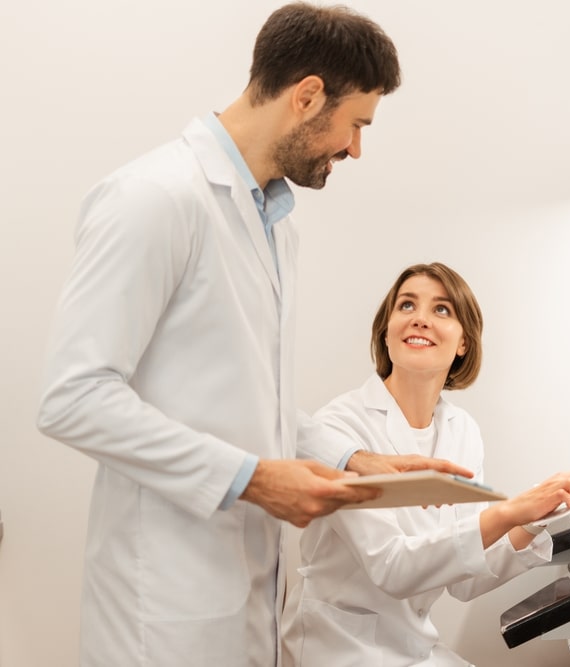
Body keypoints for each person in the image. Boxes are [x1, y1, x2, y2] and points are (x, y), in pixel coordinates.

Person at [35, 5, 470, 667]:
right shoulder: (153, 198)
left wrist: (355, 457)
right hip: (164, 605)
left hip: (249, 591)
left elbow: (252, 398)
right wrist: (251, 478)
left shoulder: (273, 226)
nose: (356, 148)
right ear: (307, 96)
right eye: (356, 124)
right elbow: (73, 399)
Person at [281, 262, 570, 666]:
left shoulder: (461, 430)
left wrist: (533, 519)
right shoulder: (341, 429)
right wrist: (508, 511)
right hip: (340, 648)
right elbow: (394, 567)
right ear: (386, 331)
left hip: (412, 646)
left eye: (441, 310)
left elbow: (465, 579)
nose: (420, 319)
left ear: (463, 344)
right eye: (406, 306)